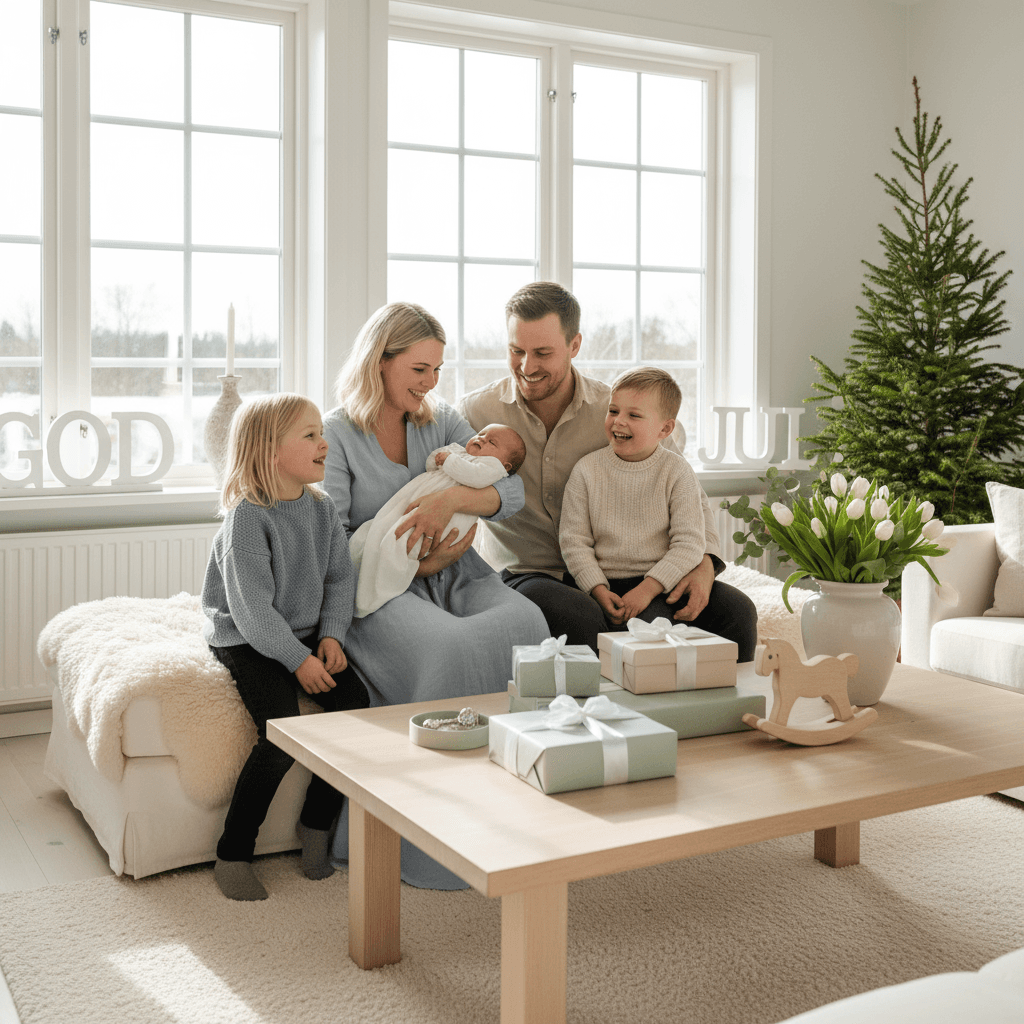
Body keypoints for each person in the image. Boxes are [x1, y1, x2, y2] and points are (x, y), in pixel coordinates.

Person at [322, 302, 548, 889]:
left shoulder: (441, 421)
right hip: (380, 583)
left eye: (436, 371)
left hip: (457, 570)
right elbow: (333, 535)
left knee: (527, 623)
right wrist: (414, 557)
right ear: (381, 361)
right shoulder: (337, 433)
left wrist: (449, 507)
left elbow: (511, 491)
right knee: (450, 646)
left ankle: (526, 817)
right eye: (418, 369)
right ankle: (431, 838)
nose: (429, 383)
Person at [459, 280, 758, 661]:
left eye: (542, 353)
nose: (527, 366)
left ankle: (737, 715)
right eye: (516, 350)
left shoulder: (614, 409)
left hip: (632, 569)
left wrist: (705, 564)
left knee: (737, 613)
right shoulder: (476, 413)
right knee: (581, 616)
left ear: (575, 345)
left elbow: (686, 489)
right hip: (529, 572)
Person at [201, 393, 369, 902]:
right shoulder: (248, 519)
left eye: (322, 432)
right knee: (282, 731)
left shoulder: (321, 509)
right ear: (270, 451)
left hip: (303, 632)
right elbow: (252, 612)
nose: (325, 443)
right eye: (311, 435)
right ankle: (233, 852)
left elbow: (341, 580)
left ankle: (316, 827)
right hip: (248, 636)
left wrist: (332, 636)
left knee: (356, 711)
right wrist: (298, 662)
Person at [560, 367, 707, 638]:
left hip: (657, 583)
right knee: (643, 630)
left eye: (634, 415)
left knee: (741, 610)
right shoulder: (586, 470)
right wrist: (598, 589)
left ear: (665, 428)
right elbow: (573, 541)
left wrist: (647, 589)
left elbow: (689, 544)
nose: (618, 422)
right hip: (600, 583)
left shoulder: (677, 471)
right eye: (613, 411)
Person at [349, 423, 526, 617]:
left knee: (403, 542)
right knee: (376, 532)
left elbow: (478, 477)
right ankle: (360, 575)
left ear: (505, 466)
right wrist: (442, 458)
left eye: (491, 441)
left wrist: (449, 472)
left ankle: (376, 587)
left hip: (444, 525)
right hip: (412, 503)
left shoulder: (491, 467)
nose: (481, 438)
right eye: (481, 434)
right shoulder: (461, 453)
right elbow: (432, 463)